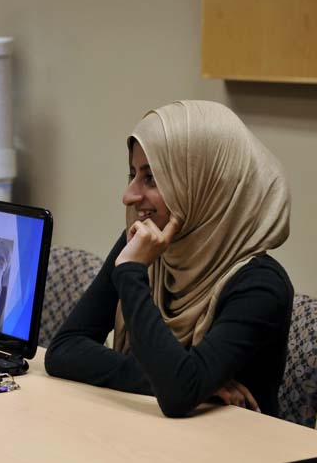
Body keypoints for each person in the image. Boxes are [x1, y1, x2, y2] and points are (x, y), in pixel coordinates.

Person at [45, 100, 293, 418]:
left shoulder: (261, 286)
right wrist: (173, 380)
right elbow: (64, 349)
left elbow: (177, 394)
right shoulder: (149, 245)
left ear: (206, 183)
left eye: (152, 179)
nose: (129, 195)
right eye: (132, 174)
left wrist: (131, 271)